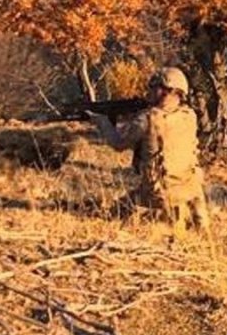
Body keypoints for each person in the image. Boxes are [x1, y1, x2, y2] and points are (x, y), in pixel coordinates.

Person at [89, 67, 210, 237]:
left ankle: (171, 219)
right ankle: (200, 222)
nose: (150, 91)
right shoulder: (189, 116)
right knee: (192, 187)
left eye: (154, 87)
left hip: (159, 190)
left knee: (115, 210)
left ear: (167, 91)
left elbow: (118, 144)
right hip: (189, 186)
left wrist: (102, 122)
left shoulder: (147, 118)